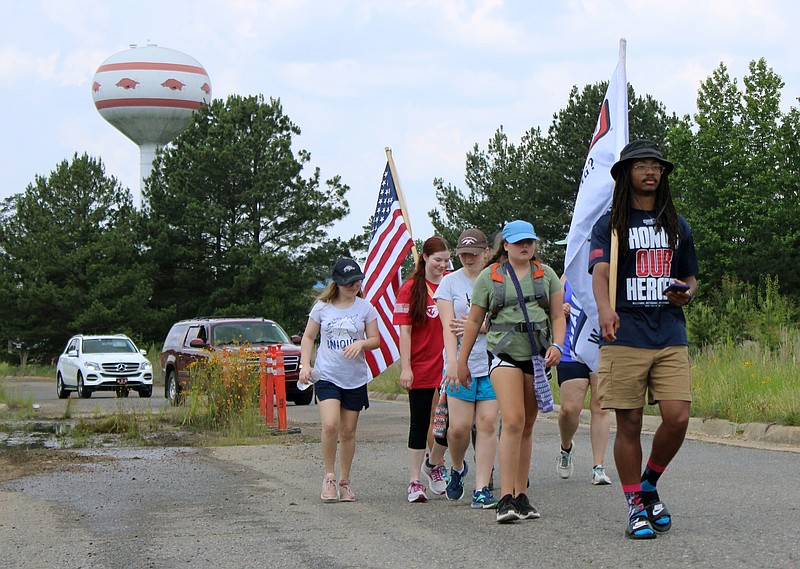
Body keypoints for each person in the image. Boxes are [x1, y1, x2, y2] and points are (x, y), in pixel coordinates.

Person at [589, 139, 698, 539]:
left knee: (678, 417)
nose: (650, 172)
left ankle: (649, 482)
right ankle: (635, 504)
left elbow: (690, 278)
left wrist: (687, 293)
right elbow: (600, 272)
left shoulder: (677, 224)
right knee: (630, 422)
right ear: (626, 175)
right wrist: (604, 309)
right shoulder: (611, 225)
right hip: (625, 334)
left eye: (656, 166)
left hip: (670, 332)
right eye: (641, 166)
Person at [457, 220, 565, 523]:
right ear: (506, 245)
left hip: (537, 358)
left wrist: (558, 345)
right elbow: (473, 322)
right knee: (514, 420)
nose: (525, 247)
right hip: (503, 356)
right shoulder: (490, 278)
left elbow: (558, 315)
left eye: (529, 242)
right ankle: (505, 497)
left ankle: (520, 495)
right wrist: (461, 362)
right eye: (518, 242)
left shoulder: (547, 276)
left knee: (528, 424)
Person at [299, 258, 380, 503]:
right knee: (330, 425)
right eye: (348, 283)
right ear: (337, 283)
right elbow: (308, 337)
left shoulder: (365, 308)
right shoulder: (322, 308)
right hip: (327, 375)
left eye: (357, 281)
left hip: (354, 378)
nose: (353, 286)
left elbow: (375, 340)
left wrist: (362, 343)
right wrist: (305, 364)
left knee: (348, 431)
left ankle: (345, 480)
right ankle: (329, 476)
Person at [433, 228, 500, 509]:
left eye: (473, 254)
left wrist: (483, 326)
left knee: (486, 425)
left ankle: (482, 488)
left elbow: (506, 317)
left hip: (493, 362)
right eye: (463, 255)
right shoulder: (449, 284)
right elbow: (449, 327)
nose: (468, 259)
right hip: (462, 363)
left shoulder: (498, 278)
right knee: (459, 428)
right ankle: (458, 467)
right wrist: (451, 361)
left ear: (486, 252)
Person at [393, 236, 451, 503]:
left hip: (448, 365)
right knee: (420, 422)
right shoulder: (411, 288)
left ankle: (435, 463)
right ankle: (415, 480)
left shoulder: (451, 283)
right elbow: (404, 331)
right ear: (425, 258)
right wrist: (406, 367)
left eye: (447, 261)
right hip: (420, 365)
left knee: (447, 423)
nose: (442, 265)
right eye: (438, 260)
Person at [555, 276, 612, 486]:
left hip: (601, 346)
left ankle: (598, 466)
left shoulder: (607, 270)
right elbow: (552, 309)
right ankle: (566, 446)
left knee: (600, 406)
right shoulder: (568, 275)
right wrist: (561, 309)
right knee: (570, 409)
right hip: (572, 349)